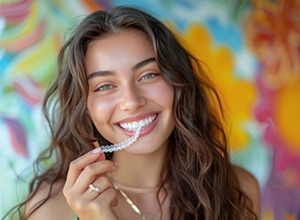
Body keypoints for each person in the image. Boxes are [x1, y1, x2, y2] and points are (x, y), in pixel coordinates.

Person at [6, 6, 260, 220]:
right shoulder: (51, 210)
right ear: (85, 107)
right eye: (105, 86)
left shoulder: (237, 190)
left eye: (148, 75)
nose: (131, 101)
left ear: (179, 84)